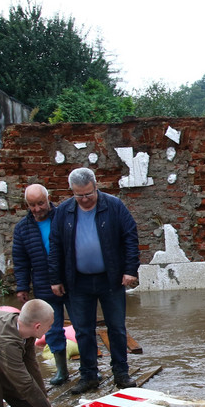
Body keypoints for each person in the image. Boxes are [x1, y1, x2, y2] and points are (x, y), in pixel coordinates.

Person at [49, 168, 140, 394]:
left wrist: (130, 270)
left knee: (117, 328)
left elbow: (130, 236)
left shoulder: (114, 206)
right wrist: (56, 278)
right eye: (79, 195)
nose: (85, 199)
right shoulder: (64, 212)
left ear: (95, 186)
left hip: (110, 278)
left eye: (89, 194)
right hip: (77, 281)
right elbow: (55, 246)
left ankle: (121, 372)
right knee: (83, 330)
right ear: (72, 192)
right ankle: (89, 375)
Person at [12, 184, 70, 386]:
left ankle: (89, 370)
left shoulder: (63, 218)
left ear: (48, 199)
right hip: (43, 284)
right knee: (53, 329)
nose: (37, 209)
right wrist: (22, 287)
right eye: (32, 205)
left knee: (83, 325)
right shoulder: (22, 228)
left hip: (71, 280)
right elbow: (20, 261)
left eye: (40, 203)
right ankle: (62, 371)